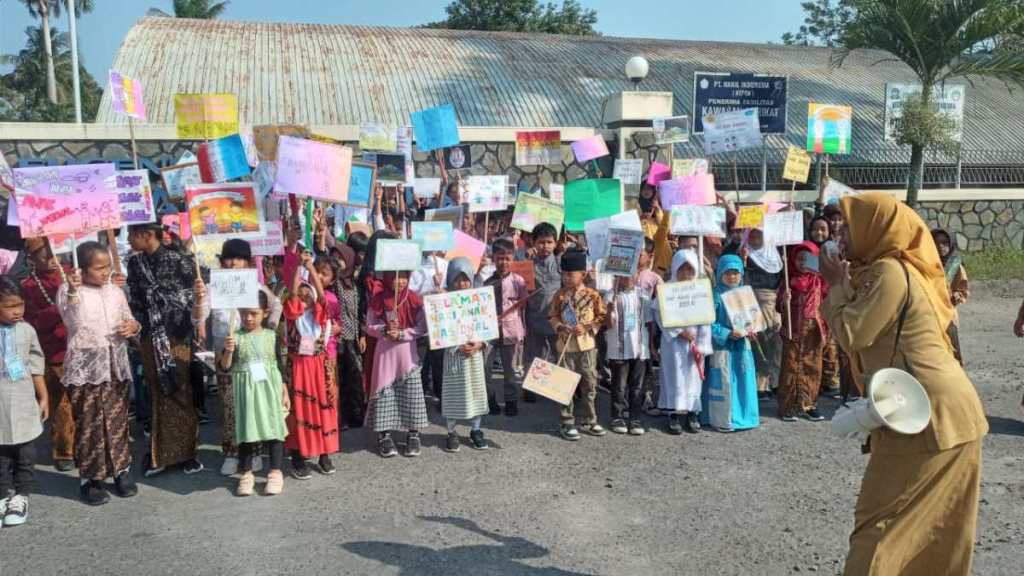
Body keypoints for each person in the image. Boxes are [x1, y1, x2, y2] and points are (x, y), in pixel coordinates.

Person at [820, 193, 988, 575]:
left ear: (876, 227)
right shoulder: (879, 271)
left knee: (879, 525)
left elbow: (851, 332)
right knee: (927, 529)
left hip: (930, 416)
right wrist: (843, 284)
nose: (839, 232)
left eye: (848, 224)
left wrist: (833, 285)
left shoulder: (890, 273)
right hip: (929, 412)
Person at [58, 242, 140, 505]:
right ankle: (91, 479)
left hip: (115, 365)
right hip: (86, 368)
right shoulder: (69, 290)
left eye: (108, 267)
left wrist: (132, 327)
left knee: (118, 423)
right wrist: (72, 289)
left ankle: (121, 471)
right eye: (99, 268)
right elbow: (73, 322)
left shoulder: (115, 291)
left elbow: (130, 319)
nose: (105, 272)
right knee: (91, 424)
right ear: (82, 269)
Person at [126, 223, 207, 477]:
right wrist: (137, 332)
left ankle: (186, 453)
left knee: (180, 391)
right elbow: (136, 302)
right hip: (150, 337)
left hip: (178, 336)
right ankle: (159, 453)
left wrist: (199, 292)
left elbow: (201, 281)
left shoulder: (180, 259)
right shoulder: (134, 264)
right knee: (157, 393)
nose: (128, 239)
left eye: (132, 234)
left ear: (148, 235)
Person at [210, 239, 282, 477]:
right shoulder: (214, 286)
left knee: (253, 404)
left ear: (247, 262)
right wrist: (200, 298)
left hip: (252, 356)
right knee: (230, 405)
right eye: (229, 258)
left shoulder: (257, 287)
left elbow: (276, 305)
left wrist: (267, 329)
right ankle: (231, 452)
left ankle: (255, 452)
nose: (232, 263)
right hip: (225, 352)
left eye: (238, 258)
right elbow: (199, 316)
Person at [218, 291, 290, 497]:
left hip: (270, 387)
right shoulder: (235, 337)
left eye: (253, 313)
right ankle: (247, 473)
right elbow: (225, 367)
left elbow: (279, 363)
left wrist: (284, 390)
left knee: (274, 426)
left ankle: (275, 472)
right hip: (246, 391)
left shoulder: (271, 336)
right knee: (247, 429)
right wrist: (228, 350)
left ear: (265, 313)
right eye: (244, 313)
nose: (248, 318)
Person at [20, 238, 75, 472]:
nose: (52, 258)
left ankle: (86, 445)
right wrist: (62, 305)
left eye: (54, 251)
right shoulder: (29, 286)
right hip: (53, 350)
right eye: (44, 254)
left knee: (82, 401)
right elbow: (33, 321)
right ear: (32, 259)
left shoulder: (73, 274)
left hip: (81, 348)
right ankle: (64, 450)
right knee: (61, 403)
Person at [282, 252, 339, 479]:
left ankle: (324, 453)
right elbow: (294, 291)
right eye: (302, 293)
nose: (305, 295)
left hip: (319, 366)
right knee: (299, 412)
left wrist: (311, 269)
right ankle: (297, 455)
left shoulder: (320, 314)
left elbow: (322, 294)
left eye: (309, 293)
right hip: (298, 367)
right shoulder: (292, 314)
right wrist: (298, 267)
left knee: (324, 408)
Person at [365, 268, 428, 458]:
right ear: (387, 278)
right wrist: (384, 330)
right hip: (385, 352)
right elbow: (369, 325)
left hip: (408, 352)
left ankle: (413, 433)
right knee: (384, 391)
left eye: (403, 277)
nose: (399, 282)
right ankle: (384, 435)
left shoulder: (415, 299)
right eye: (395, 277)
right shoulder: (378, 299)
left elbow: (422, 327)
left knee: (411, 390)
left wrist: (403, 334)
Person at [0, 277, 47, 527]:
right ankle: (1, 496)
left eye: (20, 305)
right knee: (2, 453)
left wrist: (43, 395)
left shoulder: (27, 330)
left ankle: (21, 496)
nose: (17, 310)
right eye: (10, 306)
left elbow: (35, 364)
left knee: (25, 452)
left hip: (22, 399)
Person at [548, 249, 607, 441]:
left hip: (587, 345)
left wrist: (588, 327)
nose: (566, 278)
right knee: (564, 384)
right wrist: (560, 328)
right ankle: (566, 421)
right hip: (565, 346)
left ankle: (589, 419)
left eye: (570, 274)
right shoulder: (560, 296)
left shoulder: (593, 295)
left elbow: (602, 316)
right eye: (563, 274)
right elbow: (552, 315)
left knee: (589, 382)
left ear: (583, 274)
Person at [653, 250, 712, 435]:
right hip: (673, 344)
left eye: (690, 269)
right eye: (682, 269)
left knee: (693, 378)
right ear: (675, 268)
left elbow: (706, 320)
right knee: (673, 376)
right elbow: (660, 316)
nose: (686, 274)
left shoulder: (700, 291)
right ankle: (673, 413)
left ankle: (692, 413)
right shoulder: (667, 291)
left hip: (694, 343)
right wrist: (679, 332)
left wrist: (701, 343)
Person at [702, 255, 760, 432]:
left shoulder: (746, 295)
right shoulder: (714, 296)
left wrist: (753, 332)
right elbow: (708, 323)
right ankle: (723, 419)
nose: (732, 277)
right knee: (724, 383)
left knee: (743, 381)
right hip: (723, 349)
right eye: (728, 273)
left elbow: (753, 320)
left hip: (742, 348)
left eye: (736, 273)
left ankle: (745, 416)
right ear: (720, 273)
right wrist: (727, 333)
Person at [440, 258, 490, 452]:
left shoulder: (479, 300)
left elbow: (488, 328)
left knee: (476, 392)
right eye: (457, 280)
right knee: (454, 393)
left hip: (474, 356)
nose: (462, 284)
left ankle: (476, 430)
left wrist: (480, 344)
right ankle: (451, 432)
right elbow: (439, 331)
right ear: (450, 280)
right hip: (453, 355)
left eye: (466, 279)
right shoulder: (443, 302)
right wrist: (455, 346)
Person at [777, 241, 828, 423]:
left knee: (812, 366)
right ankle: (788, 406)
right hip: (793, 329)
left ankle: (808, 404)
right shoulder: (788, 278)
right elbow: (778, 307)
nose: (802, 263)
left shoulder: (819, 280)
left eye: (807, 259)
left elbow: (828, 300)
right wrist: (784, 299)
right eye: (799, 259)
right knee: (790, 367)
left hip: (813, 330)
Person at [483, 238, 528, 416]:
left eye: (507, 258)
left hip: (511, 331)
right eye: (500, 258)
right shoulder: (487, 282)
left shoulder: (519, 281)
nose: (503, 262)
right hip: (490, 333)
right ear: (493, 258)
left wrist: (516, 303)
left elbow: (524, 305)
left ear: (513, 259)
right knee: (486, 369)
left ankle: (510, 400)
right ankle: (490, 399)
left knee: (510, 370)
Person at [603, 272, 652, 436]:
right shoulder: (610, 295)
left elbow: (649, 322)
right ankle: (617, 416)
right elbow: (607, 324)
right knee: (619, 385)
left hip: (639, 347)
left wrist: (651, 346)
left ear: (637, 275)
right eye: (623, 276)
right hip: (619, 348)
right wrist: (610, 307)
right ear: (616, 276)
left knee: (637, 386)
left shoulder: (643, 295)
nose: (628, 279)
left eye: (631, 275)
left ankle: (635, 417)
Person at [740, 228, 784, 400]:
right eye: (751, 235)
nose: (755, 238)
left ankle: (775, 380)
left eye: (759, 234)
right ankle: (761, 384)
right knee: (760, 341)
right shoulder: (745, 253)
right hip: (753, 299)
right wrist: (742, 261)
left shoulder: (775, 253)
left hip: (775, 301)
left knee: (776, 341)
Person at [523, 222, 562, 404]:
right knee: (534, 354)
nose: (545, 246)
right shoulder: (527, 263)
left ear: (555, 243)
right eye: (541, 242)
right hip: (534, 317)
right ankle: (531, 387)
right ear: (533, 242)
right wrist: (524, 259)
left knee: (559, 353)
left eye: (549, 242)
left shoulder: (562, 263)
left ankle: (558, 388)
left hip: (557, 320)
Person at [809, 216, 842, 398]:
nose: (819, 233)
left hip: (829, 298)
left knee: (830, 342)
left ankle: (830, 380)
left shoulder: (832, 249)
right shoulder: (805, 249)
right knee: (813, 341)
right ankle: (814, 380)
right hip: (810, 300)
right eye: (815, 229)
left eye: (823, 229)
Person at [333, 244, 365, 429]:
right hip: (339, 337)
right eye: (335, 257)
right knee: (341, 377)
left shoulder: (355, 283)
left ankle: (357, 414)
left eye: (341, 258)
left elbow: (361, 310)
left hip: (353, 336)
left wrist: (361, 335)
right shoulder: (334, 283)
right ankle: (342, 417)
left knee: (355, 375)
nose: (338, 261)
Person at [931, 228, 968, 364]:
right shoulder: (925, 262)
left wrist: (958, 295)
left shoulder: (955, 264)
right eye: (937, 243)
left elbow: (962, 288)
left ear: (951, 244)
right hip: (928, 311)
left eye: (945, 243)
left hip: (947, 312)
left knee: (951, 349)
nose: (941, 247)